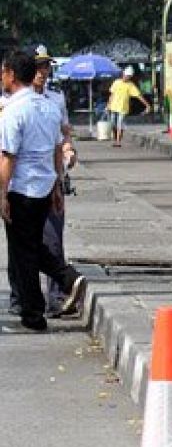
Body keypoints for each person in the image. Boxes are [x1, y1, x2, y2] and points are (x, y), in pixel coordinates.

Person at [0, 51, 86, 332]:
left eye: (3, 72)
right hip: (45, 186)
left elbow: (8, 157)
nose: (1, 77)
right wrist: (58, 187)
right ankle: (60, 283)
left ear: (12, 75)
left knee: (24, 250)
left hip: (21, 188)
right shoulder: (49, 108)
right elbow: (56, 152)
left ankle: (37, 308)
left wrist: (1, 194)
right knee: (30, 245)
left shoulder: (12, 111)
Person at [34, 50, 75, 317]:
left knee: (53, 238)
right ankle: (23, 298)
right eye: (38, 66)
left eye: (46, 66)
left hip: (52, 177)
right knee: (24, 244)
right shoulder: (10, 101)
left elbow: (65, 134)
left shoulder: (56, 98)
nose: (42, 72)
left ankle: (56, 296)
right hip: (23, 182)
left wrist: (69, 152)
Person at [106, 65, 151, 147]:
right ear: (123, 74)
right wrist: (108, 105)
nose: (127, 77)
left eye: (129, 76)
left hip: (123, 107)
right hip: (113, 107)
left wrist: (147, 105)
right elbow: (111, 95)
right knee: (112, 124)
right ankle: (115, 138)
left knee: (120, 124)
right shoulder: (116, 82)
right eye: (126, 75)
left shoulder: (130, 85)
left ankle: (118, 141)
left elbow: (139, 96)